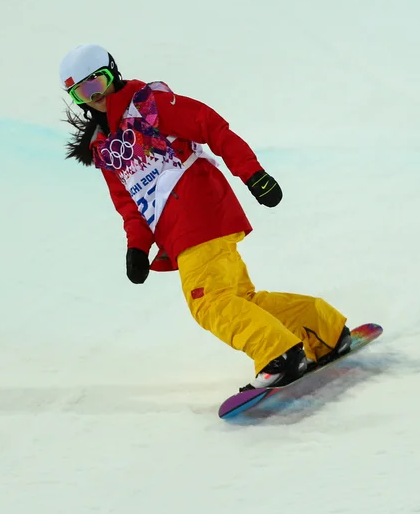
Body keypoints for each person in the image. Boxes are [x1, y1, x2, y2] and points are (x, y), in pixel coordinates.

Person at [59, 43, 351, 392]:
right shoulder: (104, 146)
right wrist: (137, 247)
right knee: (239, 300)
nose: (95, 96)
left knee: (207, 302)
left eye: (99, 83)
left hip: (197, 208)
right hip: (183, 226)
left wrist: (252, 174)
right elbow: (129, 204)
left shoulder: (148, 105)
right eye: (82, 92)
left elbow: (209, 125)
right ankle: (323, 330)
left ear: (113, 73)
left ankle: (280, 354)